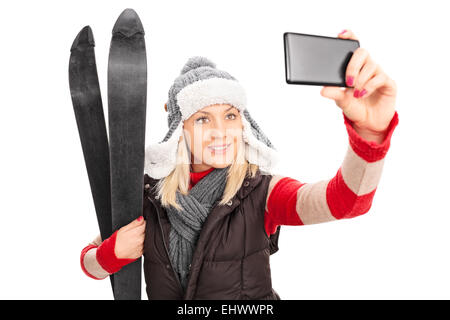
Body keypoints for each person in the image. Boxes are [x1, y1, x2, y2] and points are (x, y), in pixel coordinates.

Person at [80, 29, 399, 300]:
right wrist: (111, 254)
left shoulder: (261, 191)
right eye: (203, 118)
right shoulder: (149, 195)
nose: (221, 131)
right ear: (181, 131)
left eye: (230, 116)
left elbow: (346, 202)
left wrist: (371, 133)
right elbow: (88, 263)